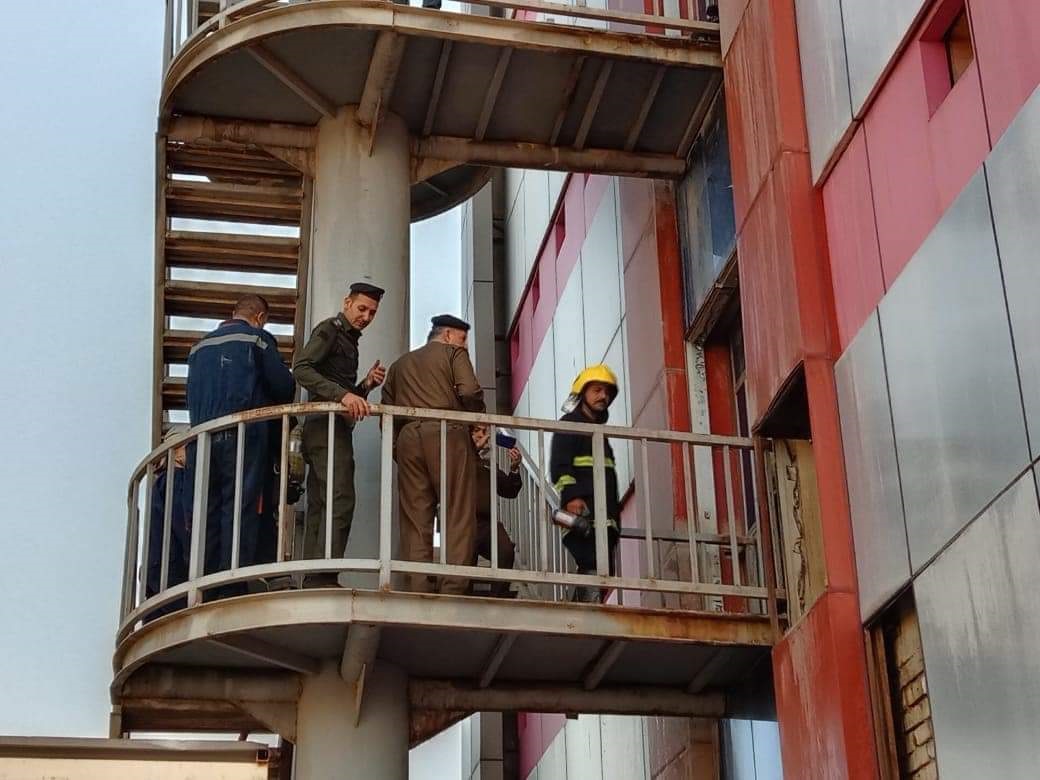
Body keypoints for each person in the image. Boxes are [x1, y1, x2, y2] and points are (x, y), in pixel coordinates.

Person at [186, 294, 295, 598]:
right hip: (244, 436)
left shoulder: (198, 348)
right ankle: (231, 583)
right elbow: (284, 387)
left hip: (202, 439)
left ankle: (203, 584)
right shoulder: (257, 340)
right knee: (239, 506)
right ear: (260, 318)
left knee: (206, 509)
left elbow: (191, 394)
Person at [380, 314, 485, 595]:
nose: (465, 346)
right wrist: (477, 418)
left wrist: (398, 449)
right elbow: (470, 390)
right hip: (447, 432)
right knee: (457, 512)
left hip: (407, 437)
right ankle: (453, 587)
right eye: (463, 339)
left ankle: (418, 587)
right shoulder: (453, 353)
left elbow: (386, 412)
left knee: (415, 518)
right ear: (448, 335)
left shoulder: (399, 365)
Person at [293, 282, 386, 577]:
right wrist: (343, 395)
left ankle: (315, 576)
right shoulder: (330, 329)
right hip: (325, 426)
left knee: (322, 501)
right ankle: (323, 576)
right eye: (362, 309)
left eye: (372, 312)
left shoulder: (347, 338)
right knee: (340, 499)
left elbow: (343, 393)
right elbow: (301, 368)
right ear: (347, 302)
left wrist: (365, 385)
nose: (366, 317)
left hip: (330, 425)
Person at [549, 364, 622, 603]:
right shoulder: (570, 424)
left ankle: (581, 609)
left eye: (607, 392)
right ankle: (583, 612)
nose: (604, 396)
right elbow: (560, 466)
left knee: (602, 571)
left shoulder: (598, 432)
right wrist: (572, 497)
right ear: (583, 393)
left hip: (605, 518)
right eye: (597, 390)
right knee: (591, 564)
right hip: (582, 513)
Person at [469, 426, 522, 597]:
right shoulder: (460, 457)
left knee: (506, 551)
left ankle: (498, 599)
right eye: (479, 431)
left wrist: (514, 468)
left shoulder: (489, 463)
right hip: (464, 522)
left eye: (486, 432)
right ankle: (462, 601)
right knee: (465, 563)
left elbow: (509, 491)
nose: (484, 436)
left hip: (487, 523)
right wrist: (474, 450)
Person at [144, 434, 192, 620]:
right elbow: (184, 525)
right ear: (178, 452)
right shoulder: (175, 480)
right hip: (173, 576)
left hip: (156, 582)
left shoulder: (160, 484)